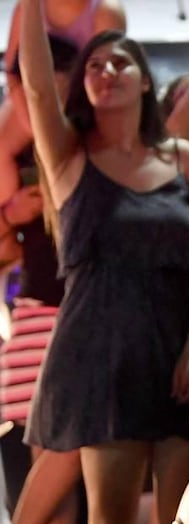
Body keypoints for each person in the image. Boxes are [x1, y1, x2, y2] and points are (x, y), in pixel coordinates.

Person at [19, 0, 189, 524]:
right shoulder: (69, 157)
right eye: (95, 65)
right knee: (109, 516)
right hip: (98, 353)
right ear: (85, 86)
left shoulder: (180, 156)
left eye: (121, 62)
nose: (106, 70)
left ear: (143, 81)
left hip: (177, 350)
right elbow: (35, 85)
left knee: (183, 515)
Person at [0, 39, 79, 524]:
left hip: (94, 318)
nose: (41, 99)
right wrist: (11, 214)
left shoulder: (98, 140)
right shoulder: (12, 150)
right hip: (37, 320)